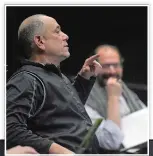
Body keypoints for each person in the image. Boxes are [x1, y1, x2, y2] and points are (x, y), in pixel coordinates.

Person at [7, 14, 103, 154]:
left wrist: (84, 78)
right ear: (40, 41)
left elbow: (64, 113)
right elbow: (9, 129)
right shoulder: (26, 79)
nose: (65, 36)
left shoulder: (53, 76)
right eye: (57, 31)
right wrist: (59, 150)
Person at [85, 44, 146, 151]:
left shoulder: (124, 89)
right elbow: (111, 141)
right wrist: (113, 97)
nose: (112, 71)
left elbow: (146, 119)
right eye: (106, 66)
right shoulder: (84, 98)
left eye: (116, 65)